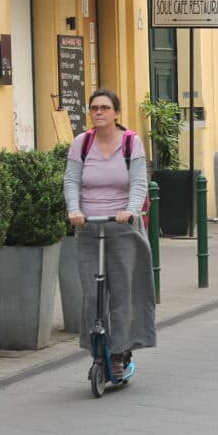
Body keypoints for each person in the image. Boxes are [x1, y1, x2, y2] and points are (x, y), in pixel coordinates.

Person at [64, 88, 156, 377]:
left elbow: (139, 183)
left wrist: (129, 210)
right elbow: (72, 181)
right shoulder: (81, 143)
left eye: (105, 108)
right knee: (93, 295)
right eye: (94, 108)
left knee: (123, 292)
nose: (99, 112)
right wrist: (74, 210)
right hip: (89, 226)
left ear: (116, 113)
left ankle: (119, 352)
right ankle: (97, 348)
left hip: (123, 226)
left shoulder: (131, 143)